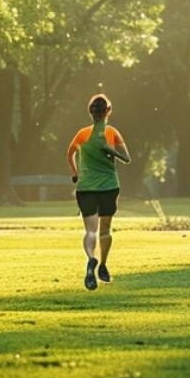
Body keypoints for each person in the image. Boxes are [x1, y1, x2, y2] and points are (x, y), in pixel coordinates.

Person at [66, 93, 130, 291]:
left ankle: (91, 260)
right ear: (108, 112)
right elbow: (127, 158)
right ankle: (103, 265)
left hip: (85, 188)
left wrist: (76, 173)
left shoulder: (82, 134)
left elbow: (70, 154)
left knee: (90, 230)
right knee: (105, 230)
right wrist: (111, 151)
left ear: (91, 112)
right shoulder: (112, 133)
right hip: (109, 187)